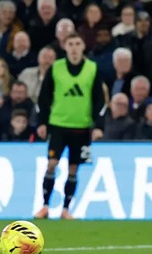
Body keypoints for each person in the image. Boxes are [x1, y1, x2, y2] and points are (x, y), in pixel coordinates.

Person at [35, 32, 105, 220]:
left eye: (77, 44)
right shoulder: (56, 68)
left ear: (83, 47)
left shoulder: (92, 69)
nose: (74, 48)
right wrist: (42, 122)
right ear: (65, 47)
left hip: (82, 127)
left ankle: (66, 209)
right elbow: (44, 97)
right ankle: (45, 206)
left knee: (74, 168)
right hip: (58, 125)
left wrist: (99, 125)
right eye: (71, 44)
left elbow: (99, 99)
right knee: (52, 163)